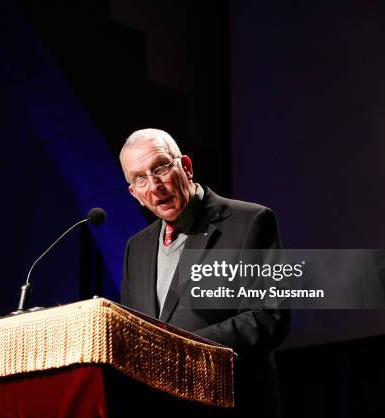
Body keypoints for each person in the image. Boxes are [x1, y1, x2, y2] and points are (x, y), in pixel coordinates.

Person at [119, 129, 290, 418]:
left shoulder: (250, 221)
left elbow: (268, 317)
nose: (154, 185)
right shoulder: (136, 247)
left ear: (185, 166)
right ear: (134, 194)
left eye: (160, 167)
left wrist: (183, 349)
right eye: (140, 178)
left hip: (232, 403)